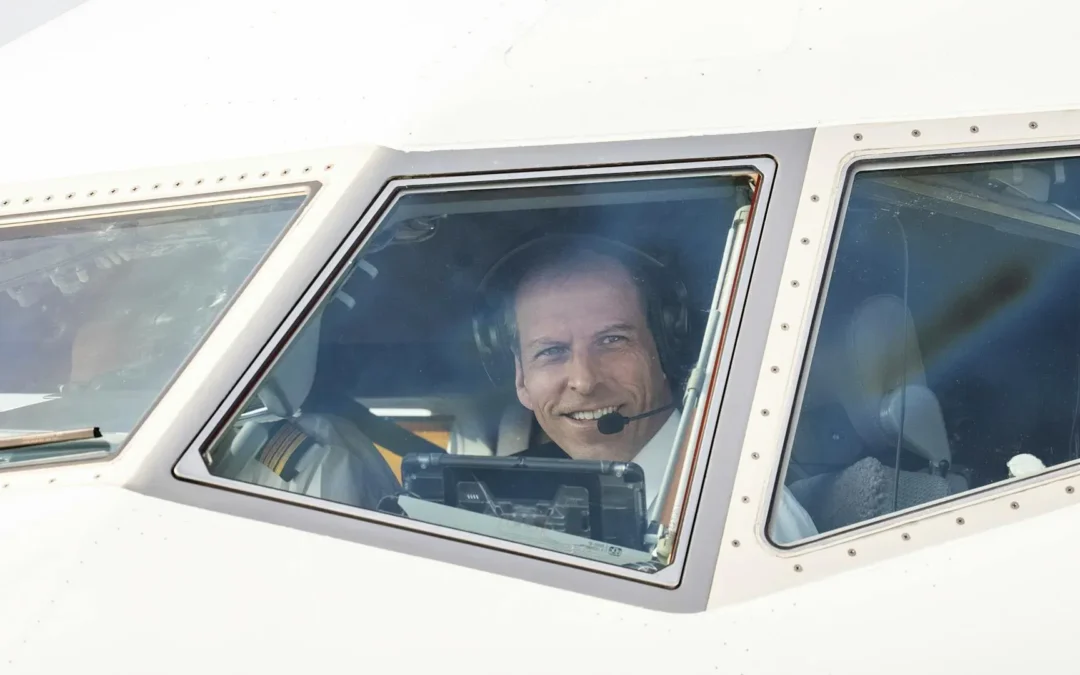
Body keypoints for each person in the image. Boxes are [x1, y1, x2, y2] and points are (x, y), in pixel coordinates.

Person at [476, 234, 817, 544]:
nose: (584, 380)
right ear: (522, 380)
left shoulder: (743, 513)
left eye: (612, 341)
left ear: (666, 351)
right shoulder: (504, 509)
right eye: (551, 351)